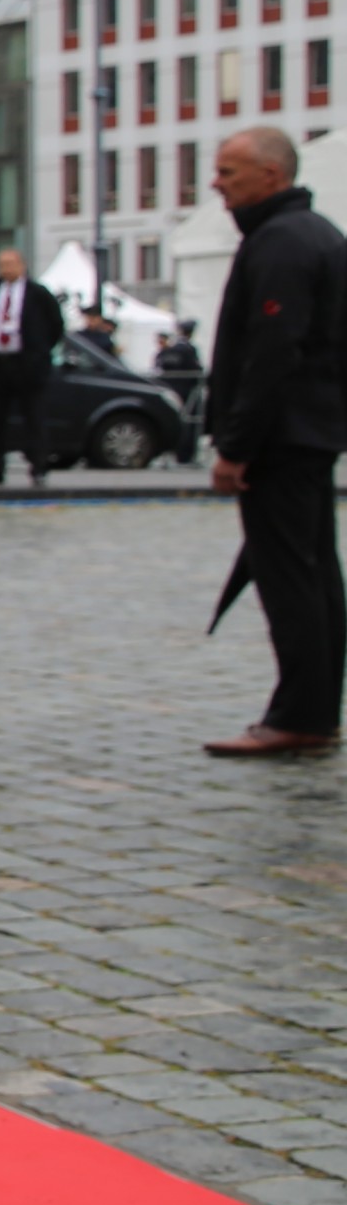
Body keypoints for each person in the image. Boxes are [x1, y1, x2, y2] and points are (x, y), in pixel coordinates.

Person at [198, 125, 346, 757]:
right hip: (310, 431)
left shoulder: (281, 242)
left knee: (291, 581)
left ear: (271, 176)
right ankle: (313, 709)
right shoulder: (315, 234)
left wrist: (236, 446)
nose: (218, 183)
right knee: (314, 575)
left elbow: (272, 353)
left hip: (281, 439)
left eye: (230, 172)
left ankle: (300, 716)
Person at [0, 246, 63, 485]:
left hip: (27, 365)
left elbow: (56, 326)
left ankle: (38, 468)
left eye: (10, 264)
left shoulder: (38, 294)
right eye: (2, 265)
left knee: (34, 417)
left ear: (21, 265)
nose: (6, 269)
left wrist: (38, 353)